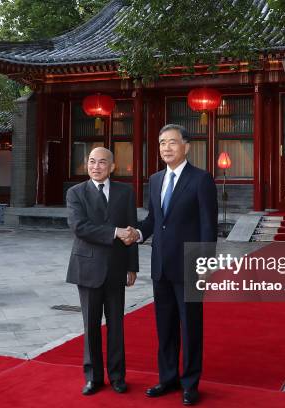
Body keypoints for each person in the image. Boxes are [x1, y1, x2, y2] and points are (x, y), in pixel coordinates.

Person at [123, 124, 218, 405]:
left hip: (189, 265)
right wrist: (138, 233)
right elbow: (154, 219)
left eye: (172, 142)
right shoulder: (154, 180)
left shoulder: (201, 179)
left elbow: (207, 225)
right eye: (162, 142)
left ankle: (190, 383)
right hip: (160, 265)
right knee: (164, 326)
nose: (166, 147)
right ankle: (167, 378)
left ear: (186, 146)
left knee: (190, 327)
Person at [66, 147, 139, 396]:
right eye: (91, 162)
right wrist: (114, 233)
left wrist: (132, 265)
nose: (96, 167)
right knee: (91, 325)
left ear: (112, 166)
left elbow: (132, 230)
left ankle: (118, 376)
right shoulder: (76, 193)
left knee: (116, 325)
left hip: (117, 267)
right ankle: (93, 377)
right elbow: (80, 227)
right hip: (87, 267)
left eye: (102, 162)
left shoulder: (125, 192)